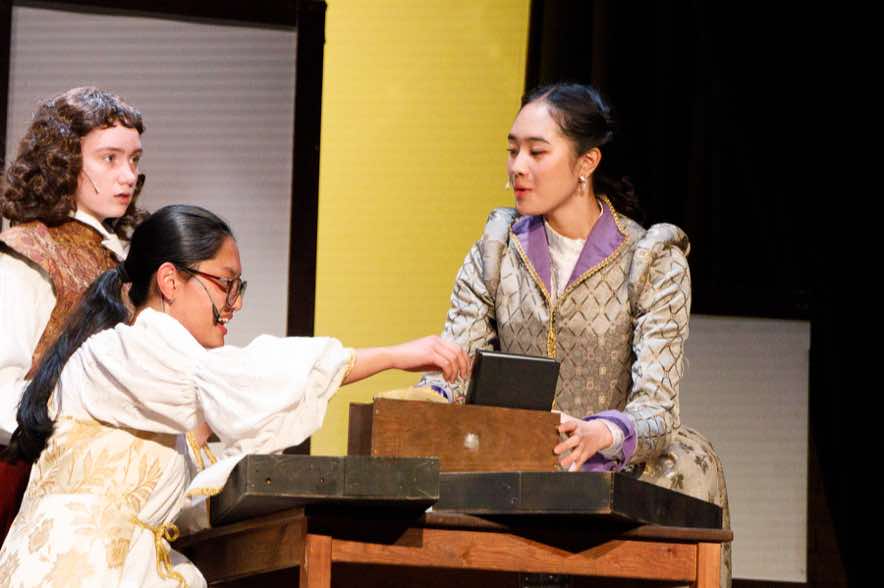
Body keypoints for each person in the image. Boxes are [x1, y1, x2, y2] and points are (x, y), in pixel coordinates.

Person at [0, 204, 469, 587]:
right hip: (77, 569)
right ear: (170, 281)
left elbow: (191, 492)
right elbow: (246, 378)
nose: (236, 302)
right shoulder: (124, 351)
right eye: (226, 284)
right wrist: (392, 355)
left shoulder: (164, 381)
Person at [418, 83, 730, 586]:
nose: (518, 167)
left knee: (684, 472)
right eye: (513, 151)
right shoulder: (496, 252)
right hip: (516, 465)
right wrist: (425, 398)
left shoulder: (651, 261)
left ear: (586, 163)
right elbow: (455, 370)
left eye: (537, 152)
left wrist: (599, 434)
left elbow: (657, 408)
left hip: (618, 470)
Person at [0, 87, 145, 544]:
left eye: (134, 160)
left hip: (103, 488)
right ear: (62, 161)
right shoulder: (29, 254)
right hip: (27, 483)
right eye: (109, 158)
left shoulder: (122, 262)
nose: (127, 175)